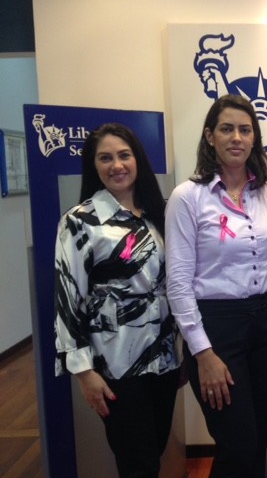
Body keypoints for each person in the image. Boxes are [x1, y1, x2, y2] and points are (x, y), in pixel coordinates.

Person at [165, 94, 267, 478]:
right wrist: (202, 353)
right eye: (226, 129)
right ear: (210, 136)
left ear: (254, 138)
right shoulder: (188, 198)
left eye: (245, 130)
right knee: (239, 446)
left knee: (257, 441)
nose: (236, 138)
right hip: (218, 329)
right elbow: (178, 283)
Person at [54, 123, 181, 478]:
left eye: (124, 155)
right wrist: (83, 373)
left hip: (164, 358)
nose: (117, 165)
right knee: (137, 463)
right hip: (116, 364)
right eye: (105, 158)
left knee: (154, 451)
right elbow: (68, 299)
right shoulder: (80, 222)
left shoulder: (159, 214)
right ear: (93, 165)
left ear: (137, 159)